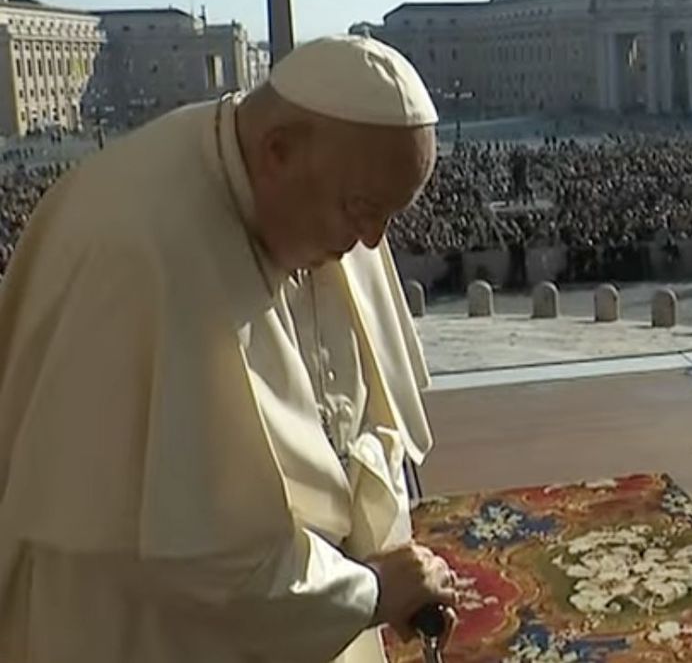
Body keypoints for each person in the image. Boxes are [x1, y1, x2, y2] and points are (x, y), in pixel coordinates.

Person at [0, 36, 459, 662]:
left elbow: (359, 421)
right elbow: (203, 560)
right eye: (362, 210)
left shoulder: (318, 191)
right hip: (149, 632)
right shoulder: (143, 249)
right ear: (278, 152)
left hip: (307, 596)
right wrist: (374, 591)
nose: (372, 243)